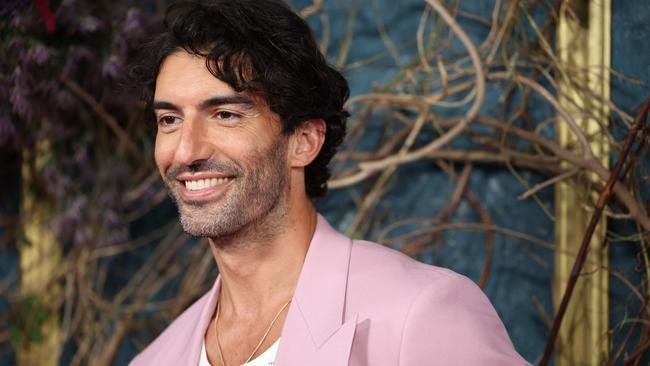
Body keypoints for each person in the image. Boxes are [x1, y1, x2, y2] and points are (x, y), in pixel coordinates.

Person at [130, 0, 529, 365]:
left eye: (225, 115)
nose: (185, 152)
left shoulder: (423, 315)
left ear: (303, 141)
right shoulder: (155, 358)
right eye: (170, 120)